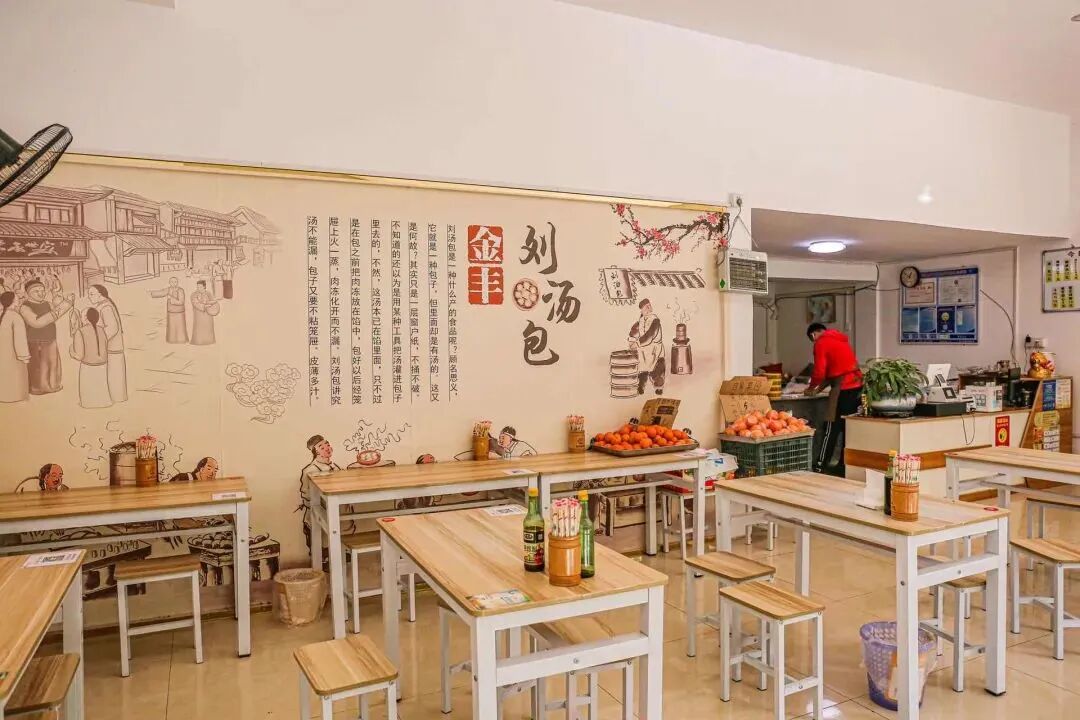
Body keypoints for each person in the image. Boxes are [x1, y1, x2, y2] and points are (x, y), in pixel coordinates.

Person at [805, 322, 864, 476]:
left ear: (813, 334)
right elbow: (837, 372)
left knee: (831, 427)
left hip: (842, 390)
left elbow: (819, 371)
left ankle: (820, 465)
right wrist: (818, 388)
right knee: (848, 429)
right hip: (857, 387)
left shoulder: (821, 343)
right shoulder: (841, 340)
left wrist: (811, 388)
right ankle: (843, 465)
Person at [19, 279, 73, 395]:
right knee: (38, 365)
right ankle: (37, 388)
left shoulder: (47, 303)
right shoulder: (25, 307)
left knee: (52, 363)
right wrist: (65, 305)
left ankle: (53, 385)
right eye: (36, 291)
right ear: (28, 293)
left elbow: (56, 309)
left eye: (42, 290)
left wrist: (61, 299)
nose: (41, 293)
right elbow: (37, 322)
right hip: (35, 341)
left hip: (50, 339)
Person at [297, 434, 342, 557]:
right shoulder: (310, 470)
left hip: (335, 515)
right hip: (317, 518)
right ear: (315, 452)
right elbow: (306, 494)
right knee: (321, 550)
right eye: (322, 447)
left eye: (327, 444)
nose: (327, 448)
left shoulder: (335, 467)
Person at [87, 284, 127, 403]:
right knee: (112, 375)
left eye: (91, 294)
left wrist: (99, 340)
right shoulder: (103, 306)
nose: (89, 297)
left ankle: (117, 399)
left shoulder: (106, 308)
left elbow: (112, 328)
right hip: (110, 347)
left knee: (114, 375)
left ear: (100, 295)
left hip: (112, 348)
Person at [69, 307, 112, 409]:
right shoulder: (102, 330)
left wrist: (71, 351)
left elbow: (79, 356)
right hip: (103, 365)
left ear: (85, 318)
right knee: (101, 388)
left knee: (89, 393)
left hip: (88, 367)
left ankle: (90, 404)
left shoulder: (80, 332)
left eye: (81, 316)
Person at [628, 298, 665, 395]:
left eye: (649, 306)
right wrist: (631, 340)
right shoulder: (641, 320)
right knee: (642, 370)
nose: (648, 308)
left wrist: (637, 344)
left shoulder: (655, 320)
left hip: (655, 350)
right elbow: (634, 331)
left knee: (657, 371)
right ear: (641, 310)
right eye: (646, 307)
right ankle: (640, 388)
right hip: (644, 351)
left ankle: (659, 388)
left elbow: (650, 336)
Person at [0, 291, 30, 402]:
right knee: (15, 376)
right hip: (14, 355)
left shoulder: (3, 315)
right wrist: (24, 356)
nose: (19, 299)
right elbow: (20, 339)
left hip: (3, 354)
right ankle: (14, 397)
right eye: (17, 298)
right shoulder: (15, 317)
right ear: (13, 301)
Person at [149, 277, 188, 343]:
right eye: (172, 282)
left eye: (175, 282)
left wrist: (171, 299)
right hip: (171, 311)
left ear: (177, 282)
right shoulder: (168, 289)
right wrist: (151, 293)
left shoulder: (180, 290)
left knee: (180, 327)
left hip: (179, 312)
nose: (173, 283)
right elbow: (161, 292)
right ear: (169, 283)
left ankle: (181, 340)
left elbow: (181, 302)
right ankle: (171, 340)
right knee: (171, 327)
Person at [190, 280, 220, 345]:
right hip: (198, 315)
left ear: (204, 286)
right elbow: (195, 303)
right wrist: (204, 306)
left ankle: (209, 341)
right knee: (199, 328)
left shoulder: (209, 293)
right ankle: (198, 341)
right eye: (197, 287)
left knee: (208, 328)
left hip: (208, 315)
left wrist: (213, 303)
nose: (198, 288)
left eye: (200, 287)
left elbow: (212, 302)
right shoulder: (194, 294)